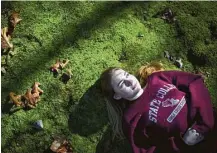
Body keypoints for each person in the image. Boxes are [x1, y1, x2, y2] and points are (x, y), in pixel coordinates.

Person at [100, 62, 217, 153]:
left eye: (127, 75)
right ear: (117, 95)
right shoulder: (130, 119)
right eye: (122, 84)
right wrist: (182, 143)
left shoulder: (157, 78)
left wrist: (205, 123)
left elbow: (194, 82)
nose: (129, 81)